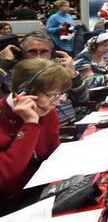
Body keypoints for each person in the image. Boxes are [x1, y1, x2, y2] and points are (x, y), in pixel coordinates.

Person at [0, 58, 72, 215]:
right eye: (53, 95)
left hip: (43, 193)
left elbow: (53, 155)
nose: (58, 102)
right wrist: (30, 124)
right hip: (10, 206)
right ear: (23, 92)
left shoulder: (48, 111)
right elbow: (4, 180)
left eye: (60, 94)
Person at [0, 31, 89, 125]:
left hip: (73, 126)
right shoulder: (12, 73)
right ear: (21, 53)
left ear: (52, 53)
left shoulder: (60, 69)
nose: (38, 57)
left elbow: (82, 99)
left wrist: (72, 73)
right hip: (31, 129)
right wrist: (4, 63)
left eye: (44, 52)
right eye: (32, 52)